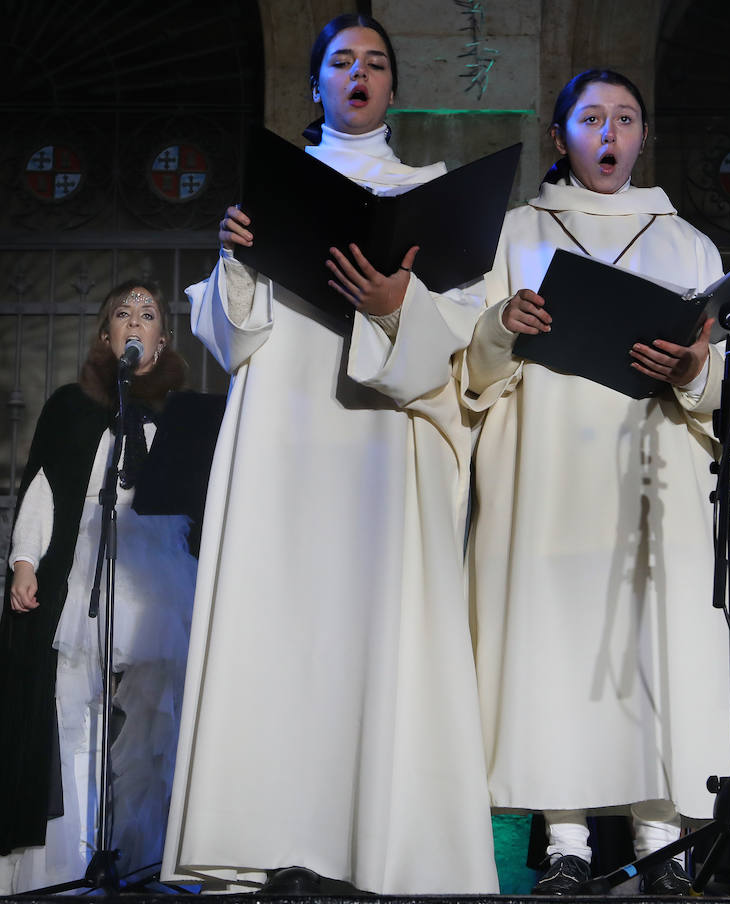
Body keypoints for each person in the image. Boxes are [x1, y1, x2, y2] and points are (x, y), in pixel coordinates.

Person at [161, 13, 496, 896]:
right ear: (314, 84)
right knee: (280, 621)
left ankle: (385, 851)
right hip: (285, 433)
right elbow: (230, 338)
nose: (359, 75)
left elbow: (458, 347)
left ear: (394, 87)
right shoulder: (275, 187)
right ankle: (254, 843)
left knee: (378, 627)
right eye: (341, 62)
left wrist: (395, 303)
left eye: (376, 63)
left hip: (383, 439)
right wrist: (235, 259)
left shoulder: (432, 192)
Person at [463, 68, 730, 896]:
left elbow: (722, 374)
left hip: (650, 464)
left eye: (626, 119)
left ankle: (663, 839)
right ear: (561, 138)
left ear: (642, 137)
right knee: (556, 649)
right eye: (592, 119)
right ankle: (566, 845)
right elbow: (469, 365)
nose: (610, 135)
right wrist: (499, 326)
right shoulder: (514, 232)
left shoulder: (685, 241)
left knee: (649, 643)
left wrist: (694, 366)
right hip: (545, 470)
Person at [0, 280, 198, 893]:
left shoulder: (180, 416)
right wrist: (23, 560)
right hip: (83, 584)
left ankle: (144, 857)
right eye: (123, 313)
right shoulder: (71, 406)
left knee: (155, 724)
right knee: (74, 714)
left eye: (148, 315)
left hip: (158, 589)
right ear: (107, 336)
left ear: (161, 338)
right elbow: (45, 488)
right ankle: (69, 861)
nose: (135, 321)